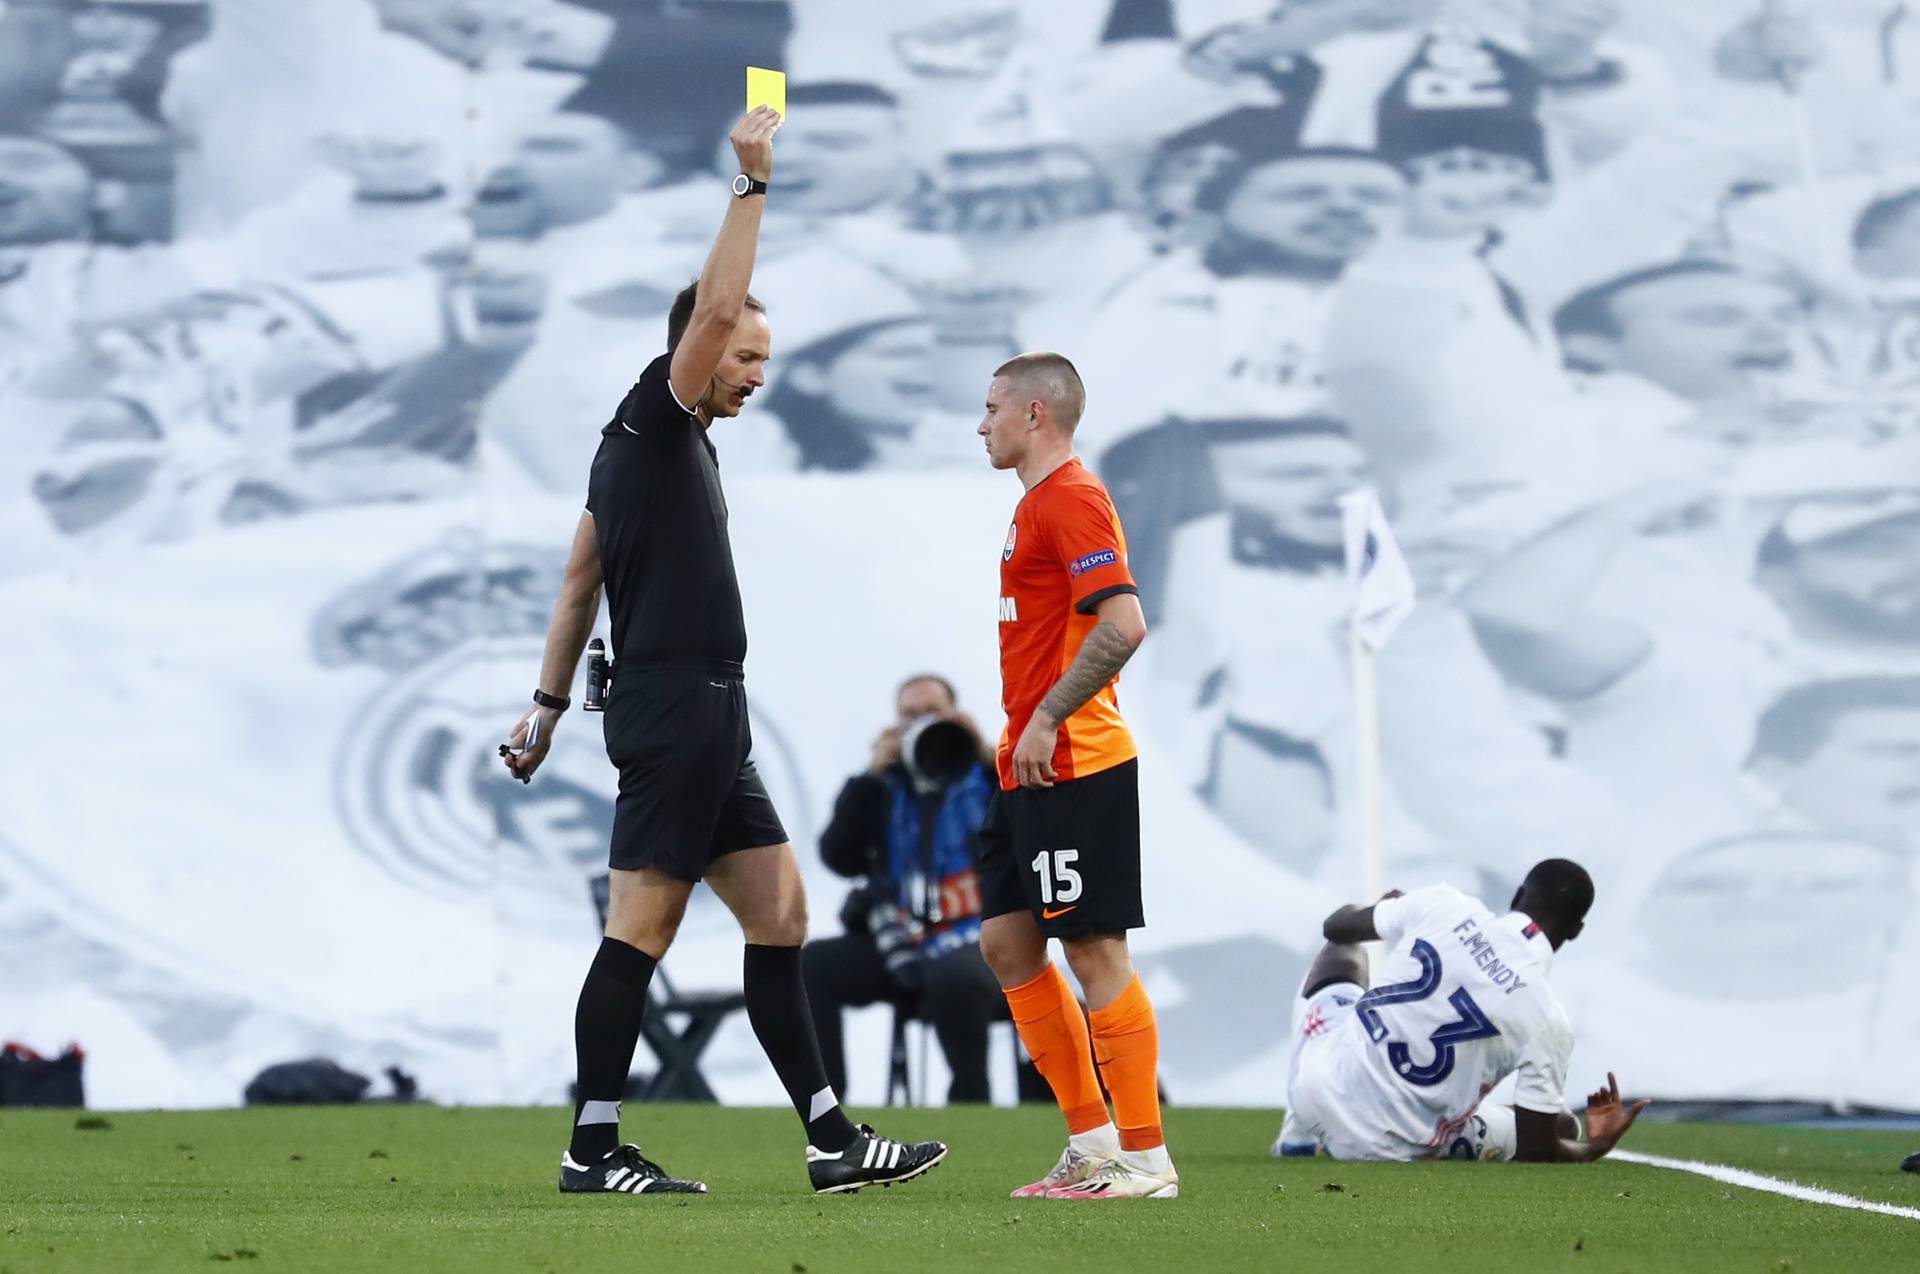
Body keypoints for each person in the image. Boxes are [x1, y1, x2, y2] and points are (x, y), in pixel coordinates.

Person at [500, 106, 945, 1197]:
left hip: (705, 714)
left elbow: (576, 585)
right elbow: (709, 304)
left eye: (764, 356)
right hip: (676, 713)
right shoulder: (653, 419)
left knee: (781, 912)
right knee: (640, 928)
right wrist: (752, 188)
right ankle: (591, 1148)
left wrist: (547, 709)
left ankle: (832, 1140)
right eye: (745, 353)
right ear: (694, 350)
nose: (756, 372)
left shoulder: (657, 453)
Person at [973, 351, 1177, 1200]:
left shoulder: (1074, 498)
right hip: (1026, 761)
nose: (980, 425)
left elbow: (1124, 624)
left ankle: (1142, 1157)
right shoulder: (1036, 506)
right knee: (1007, 942)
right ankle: (1092, 1143)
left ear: (1034, 416)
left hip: (1074, 760)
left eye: (990, 409)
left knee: (1093, 949)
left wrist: (1051, 716)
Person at [1279, 860, 1649, 1163]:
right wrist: (1592, 1150)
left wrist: (1388, 906)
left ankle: (1297, 1130)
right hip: (1387, 1150)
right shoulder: (1549, 1019)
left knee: (1345, 950)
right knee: (1564, 1128)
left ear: (1518, 896)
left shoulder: (1444, 904)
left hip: (1315, 1091)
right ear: (1576, 931)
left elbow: (1337, 926)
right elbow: (1538, 1151)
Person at [802, 673, 1002, 1104]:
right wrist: (870, 776)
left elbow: (1029, 830)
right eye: (910, 715)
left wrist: (986, 756)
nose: (921, 723)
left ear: (957, 717)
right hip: (902, 942)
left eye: (933, 713)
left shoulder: (987, 778)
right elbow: (837, 857)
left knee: (953, 975)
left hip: (982, 943)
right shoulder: (885, 785)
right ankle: (826, 1112)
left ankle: (972, 1108)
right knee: (812, 964)